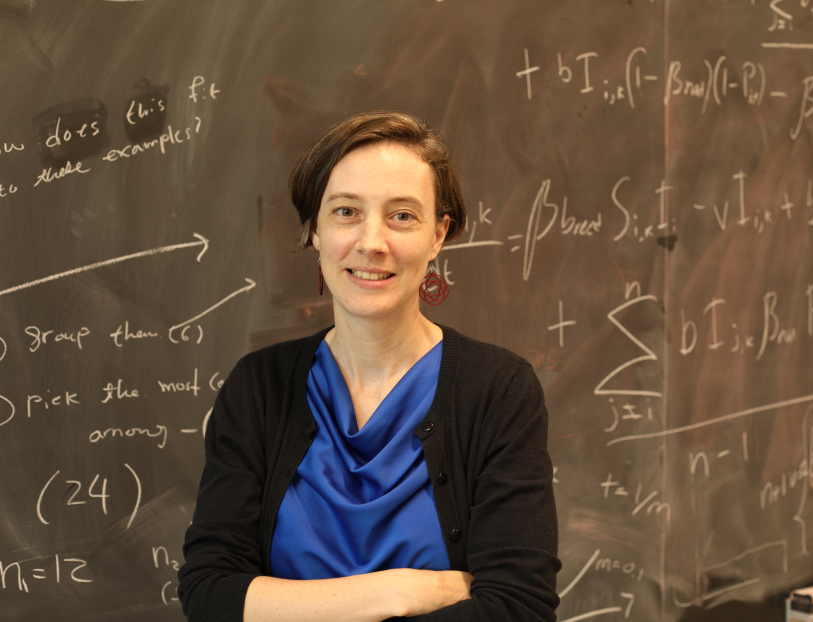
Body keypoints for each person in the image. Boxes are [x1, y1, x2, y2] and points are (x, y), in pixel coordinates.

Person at [177, 111, 561, 621]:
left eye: (402, 215)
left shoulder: (498, 390)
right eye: (345, 212)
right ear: (315, 229)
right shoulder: (258, 387)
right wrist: (395, 593)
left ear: (438, 236)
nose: (371, 242)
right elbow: (209, 594)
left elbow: (519, 609)